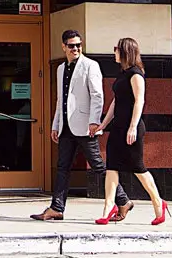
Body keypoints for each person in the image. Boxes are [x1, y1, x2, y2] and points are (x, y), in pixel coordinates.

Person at [31, 30, 134, 222]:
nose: (76, 48)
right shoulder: (61, 68)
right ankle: (56, 208)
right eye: (71, 45)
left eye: (78, 45)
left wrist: (94, 121)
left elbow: (97, 95)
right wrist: (56, 124)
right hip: (66, 127)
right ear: (64, 47)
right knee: (62, 167)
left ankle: (123, 200)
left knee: (98, 167)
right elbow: (61, 100)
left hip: (86, 126)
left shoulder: (90, 66)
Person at [95, 37, 169, 226]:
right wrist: (103, 124)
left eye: (116, 49)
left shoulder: (136, 74)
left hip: (131, 128)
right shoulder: (123, 74)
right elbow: (115, 102)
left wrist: (133, 126)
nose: (114, 52)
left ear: (125, 51)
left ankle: (158, 203)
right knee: (111, 167)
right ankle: (108, 207)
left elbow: (140, 101)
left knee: (138, 168)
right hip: (118, 127)